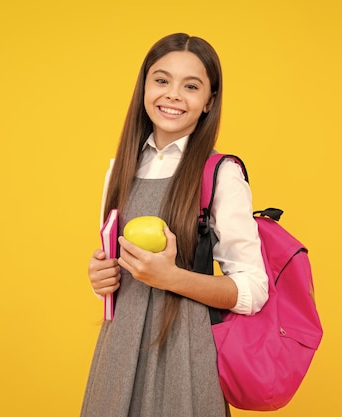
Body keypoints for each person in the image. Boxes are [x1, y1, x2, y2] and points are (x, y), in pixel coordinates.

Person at [80, 33, 269, 417]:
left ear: (208, 101)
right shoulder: (119, 169)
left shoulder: (221, 173)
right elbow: (114, 264)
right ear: (145, 86)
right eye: (162, 80)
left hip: (186, 353)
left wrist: (171, 277)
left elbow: (253, 290)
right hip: (118, 351)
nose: (173, 95)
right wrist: (102, 275)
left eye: (192, 86)